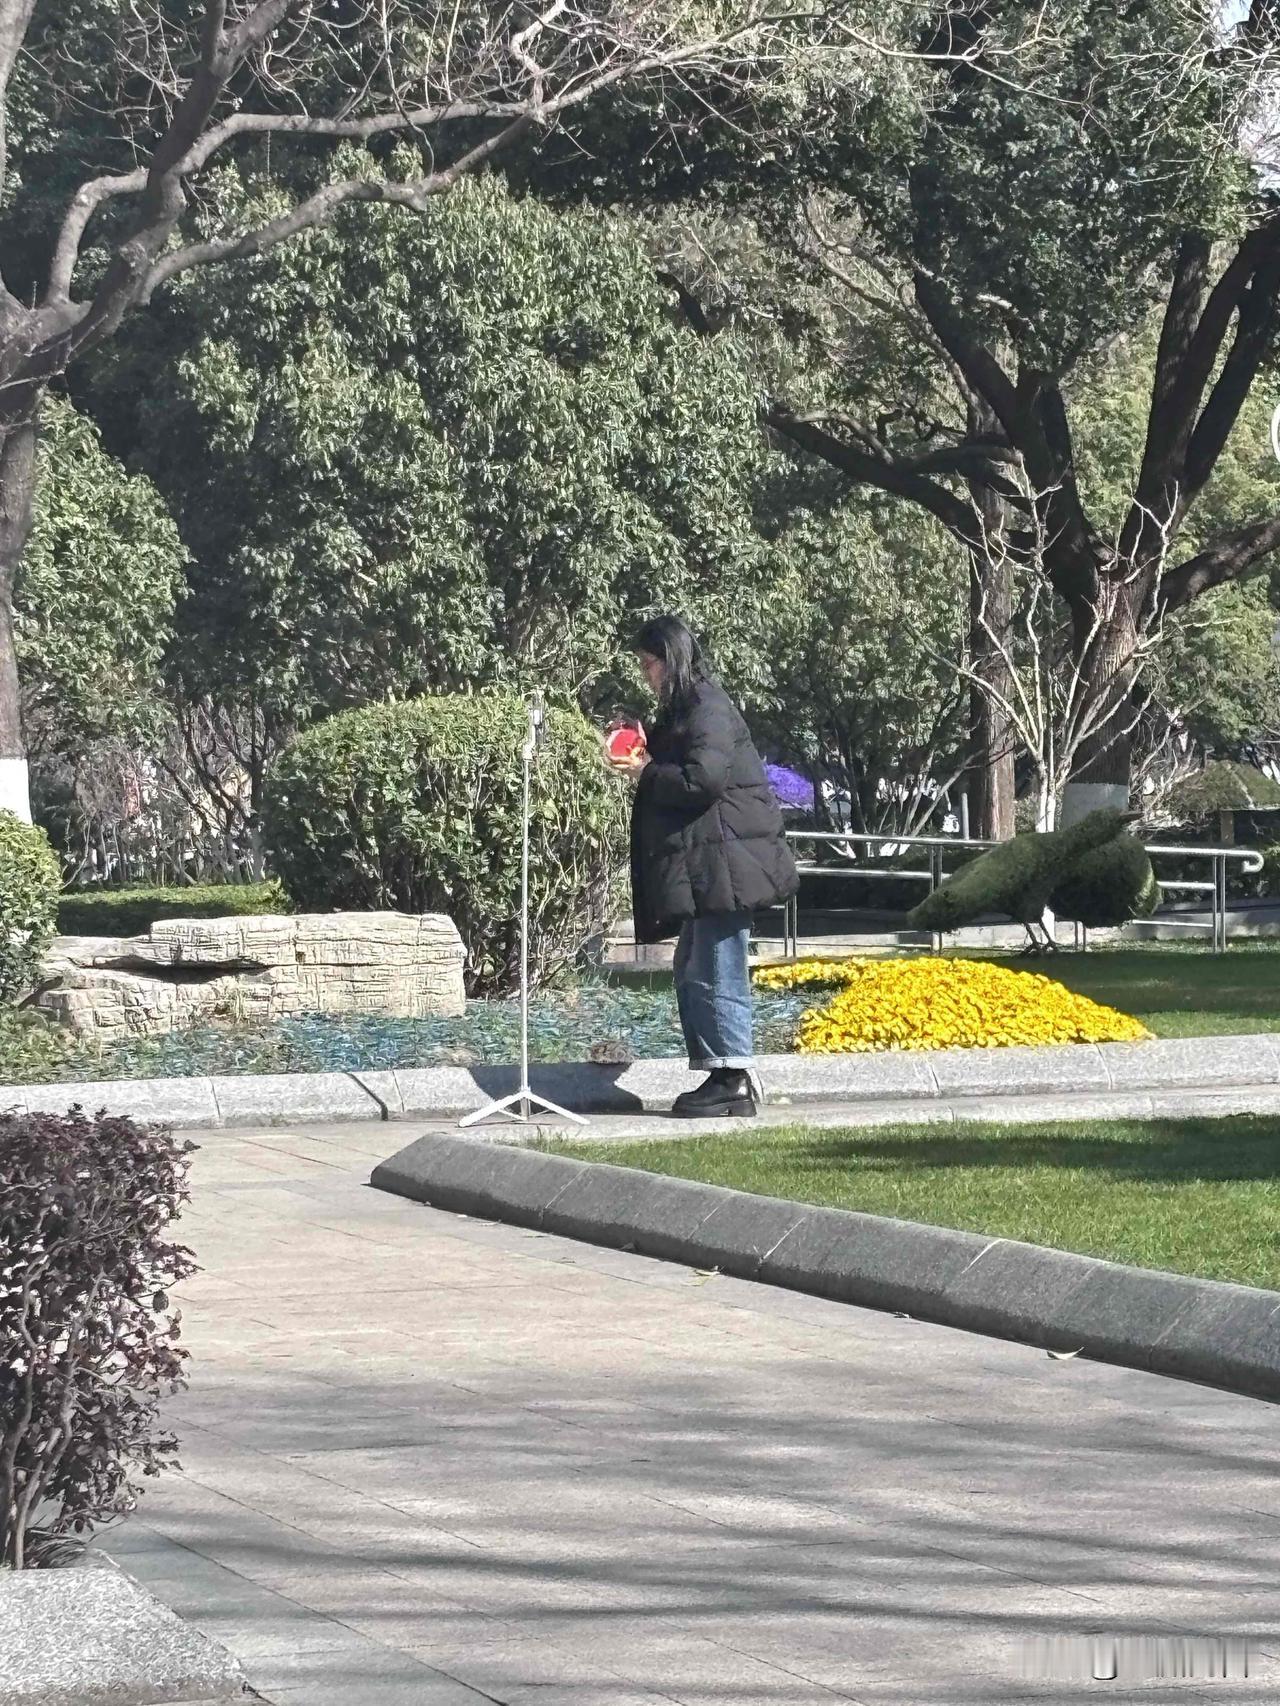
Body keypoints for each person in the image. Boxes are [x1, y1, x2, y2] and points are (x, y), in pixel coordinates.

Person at [607, 615, 798, 1118]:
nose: (646, 674)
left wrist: (646, 770)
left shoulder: (708, 706)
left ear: (671, 660)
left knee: (717, 968)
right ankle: (721, 1075)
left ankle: (732, 1079)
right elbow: (682, 762)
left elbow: (702, 779)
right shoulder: (687, 709)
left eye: (649, 664)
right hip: (713, 862)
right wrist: (645, 747)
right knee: (695, 966)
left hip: (727, 863)